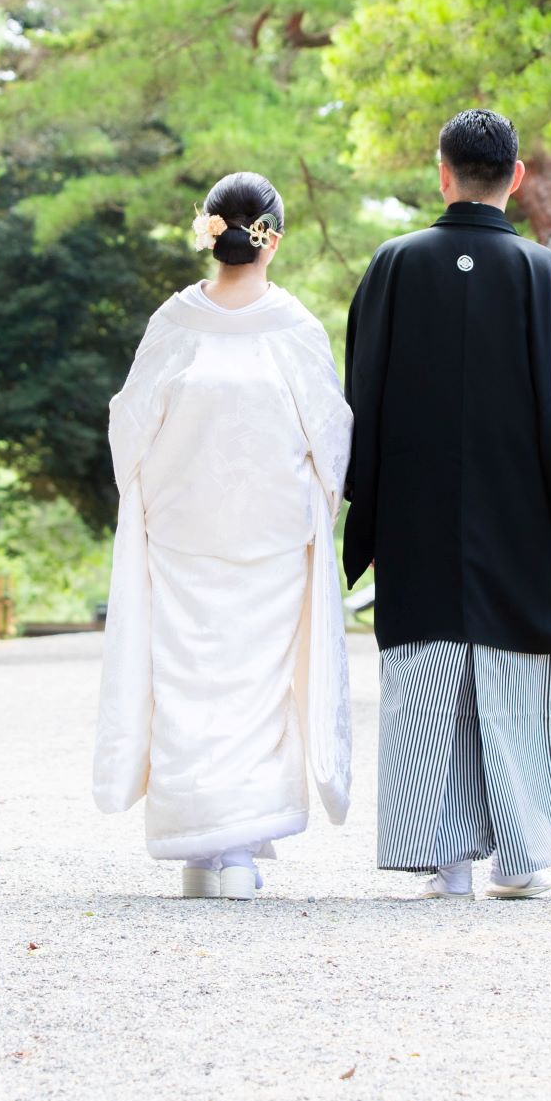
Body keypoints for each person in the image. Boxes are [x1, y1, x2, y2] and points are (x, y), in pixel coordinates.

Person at [343, 109, 551, 900]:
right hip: (525, 519)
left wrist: (365, 510)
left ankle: (445, 864)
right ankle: (522, 856)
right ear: (517, 178)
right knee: (522, 676)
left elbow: (360, 401)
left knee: (429, 679)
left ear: (443, 174)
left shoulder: (394, 265)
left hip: (417, 516)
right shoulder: (548, 275)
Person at [92, 172, 353, 900]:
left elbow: (130, 424)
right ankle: (235, 852)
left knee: (186, 678)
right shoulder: (294, 327)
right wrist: (321, 505)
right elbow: (331, 435)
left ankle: (198, 852)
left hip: (182, 529)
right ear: (274, 239)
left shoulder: (175, 323)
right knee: (256, 686)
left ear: (209, 233)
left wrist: (149, 495)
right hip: (271, 533)